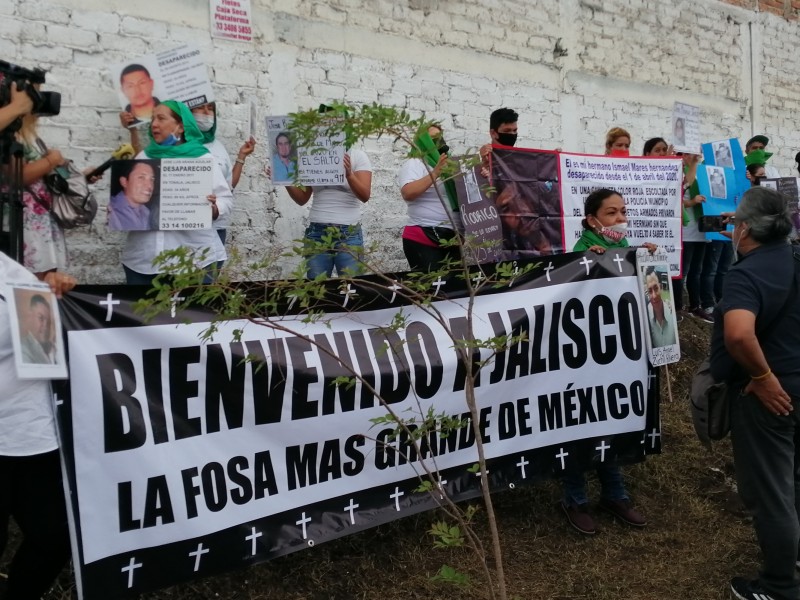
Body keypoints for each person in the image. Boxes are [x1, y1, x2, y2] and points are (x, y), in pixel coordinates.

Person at [708, 187, 800, 600]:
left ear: (743, 229)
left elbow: (739, 334)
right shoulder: (793, 259)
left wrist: (762, 377)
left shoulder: (747, 272)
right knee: (794, 481)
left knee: (771, 492)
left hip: (771, 396)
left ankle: (780, 587)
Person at [563, 188, 651, 535]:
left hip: (618, 356)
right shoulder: (582, 251)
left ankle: (615, 494)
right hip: (583, 358)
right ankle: (575, 498)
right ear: (592, 220)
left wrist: (646, 261)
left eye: (622, 212)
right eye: (611, 213)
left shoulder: (625, 251)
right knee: (579, 423)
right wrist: (587, 263)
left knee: (610, 420)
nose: (619, 219)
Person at [0, 254, 76, 599]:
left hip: (33, 430)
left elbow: (40, 347)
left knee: (55, 535)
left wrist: (52, 293)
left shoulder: (12, 269)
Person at [121, 101, 232, 285]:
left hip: (195, 261)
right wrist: (121, 209)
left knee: (193, 314)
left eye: (161, 118)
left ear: (180, 126)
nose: (154, 124)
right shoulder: (144, 158)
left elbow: (226, 200)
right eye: (153, 119)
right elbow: (130, 202)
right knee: (144, 314)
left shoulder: (202, 159)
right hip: (144, 261)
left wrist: (213, 209)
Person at [280, 144, 372, 278]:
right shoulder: (312, 156)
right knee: (317, 291)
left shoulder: (357, 156)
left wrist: (349, 175)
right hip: (317, 233)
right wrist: (284, 179)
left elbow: (365, 195)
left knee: (352, 289)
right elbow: (302, 199)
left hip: (348, 234)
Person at [190, 101, 256, 246]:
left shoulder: (218, 147)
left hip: (216, 227)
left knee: (212, 269)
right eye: (200, 108)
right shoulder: (178, 146)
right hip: (186, 229)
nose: (207, 113)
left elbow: (228, 186)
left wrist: (241, 156)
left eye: (211, 108)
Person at [398, 124, 461, 272]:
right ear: (423, 143)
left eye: (440, 138)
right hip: (424, 237)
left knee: (455, 291)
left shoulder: (450, 165)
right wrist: (436, 172)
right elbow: (408, 193)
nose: (439, 143)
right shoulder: (414, 163)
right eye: (433, 139)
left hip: (452, 239)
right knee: (431, 290)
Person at [108, 161, 157, 231]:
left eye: (152, 179)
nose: (150, 186)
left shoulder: (147, 212)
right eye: (141, 177)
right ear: (124, 182)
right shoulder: (110, 211)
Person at [644, 267, 677, 347]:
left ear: (661, 287)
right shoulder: (645, 316)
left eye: (656, 288)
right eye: (650, 291)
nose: (654, 296)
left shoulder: (672, 312)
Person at [20, 293, 55, 364]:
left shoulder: (53, 349)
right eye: (41, 318)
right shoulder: (23, 348)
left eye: (48, 321)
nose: (45, 326)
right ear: (30, 316)